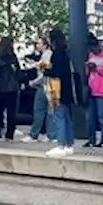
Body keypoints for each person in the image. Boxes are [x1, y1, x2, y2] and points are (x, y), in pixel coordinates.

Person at [44, 28, 77, 157]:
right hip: (67, 88)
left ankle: (61, 144)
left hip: (57, 88)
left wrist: (46, 70)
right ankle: (69, 144)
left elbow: (56, 71)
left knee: (59, 116)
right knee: (67, 117)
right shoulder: (65, 52)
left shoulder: (56, 54)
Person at [85, 34, 103, 147]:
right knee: (90, 117)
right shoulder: (90, 55)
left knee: (102, 117)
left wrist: (97, 68)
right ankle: (91, 139)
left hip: (102, 90)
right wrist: (88, 68)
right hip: (91, 89)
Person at [0, 37, 21, 141]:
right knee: (12, 113)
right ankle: (10, 134)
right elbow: (18, 73)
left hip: (0, 89)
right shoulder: (13, 58)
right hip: (13, 88)